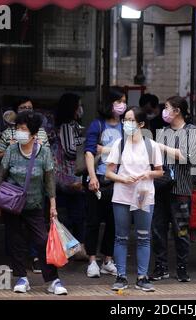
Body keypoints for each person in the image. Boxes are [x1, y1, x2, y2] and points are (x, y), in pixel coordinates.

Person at [0, 111, 67, 295]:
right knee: (15, 241)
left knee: (42, 241)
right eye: (17, 128)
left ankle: (53, 280)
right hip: (11, 205)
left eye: (23, 129)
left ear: (34, 134)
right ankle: (21, 278)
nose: (19, 132)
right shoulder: (10, 150)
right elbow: (1, 176)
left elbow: (49, 181)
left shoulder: (44, 153)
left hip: (34, 205)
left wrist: (53, 206)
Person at [105, 107, 163, 292]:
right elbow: (108, 173)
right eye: (125, 120)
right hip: (122, 194)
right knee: (121, 236)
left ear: (141, 124)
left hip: (143, 194)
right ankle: (121, 276)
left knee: (143, 236)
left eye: (131, 120)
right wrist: (122, 178)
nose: (127, 124)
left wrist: (148, 173)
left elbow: (160, 171)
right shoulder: (119, 144)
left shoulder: (151, 145)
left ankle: (142, 277)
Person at [150, 96, 196, 282]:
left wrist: (161, 146)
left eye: (167, 107)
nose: (165, 111)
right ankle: (161, 267)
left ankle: (182, 268)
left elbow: (189, 157)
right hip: (161, 187)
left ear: (177, 111)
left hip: (181, 188)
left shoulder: (192, 131)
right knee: (157, 229)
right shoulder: (163, 131)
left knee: (181, 231)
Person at [83, 88, 126, 278]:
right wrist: (92, 177)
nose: (122, 105)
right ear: (109, 103)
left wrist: (105, 149)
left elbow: (131, 150)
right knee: (92, 221)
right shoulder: (97, 124)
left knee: (114, 223)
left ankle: (107, 260)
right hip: (98, 179)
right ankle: (92, 260)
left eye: (124, 101)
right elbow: (89, 151)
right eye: (119, 101)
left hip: (118, 181)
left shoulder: (126, 126)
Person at [53, 93, 87, 260]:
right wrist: (87, 148)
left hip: (69, 176)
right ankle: (73, 249)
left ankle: (73, 249)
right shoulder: (67, 126)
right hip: (69, 177)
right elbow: (70, 151)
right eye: (78, 105)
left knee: (73, 214)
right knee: (73, 215)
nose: (81, 109)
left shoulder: (72, 125)